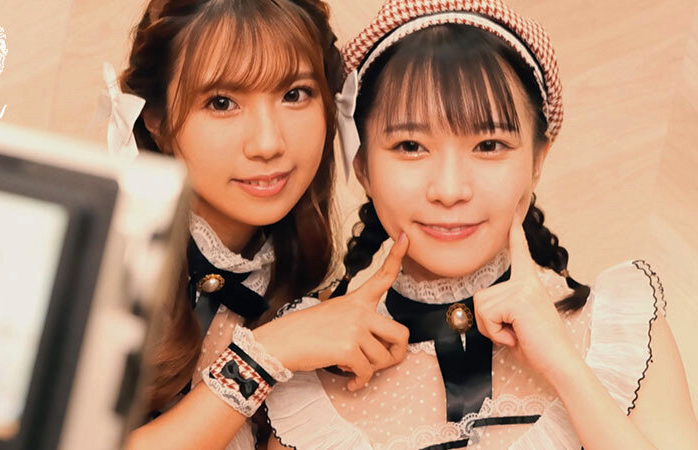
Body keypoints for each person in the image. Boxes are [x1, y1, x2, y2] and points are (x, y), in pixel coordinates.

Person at [265, 0, 698, 448]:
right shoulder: (312, 374)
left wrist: (565, 365)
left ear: (538, 160)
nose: (450, 189)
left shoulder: (617, 332)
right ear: (362, 166)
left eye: (489, 145)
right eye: (411, 146)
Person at [110, 1, 411, 448]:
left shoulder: (307, 283)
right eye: (222, 102)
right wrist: (267, 354)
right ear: (156, 120)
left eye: (295, 94)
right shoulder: (101, 266)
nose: (268, 143)